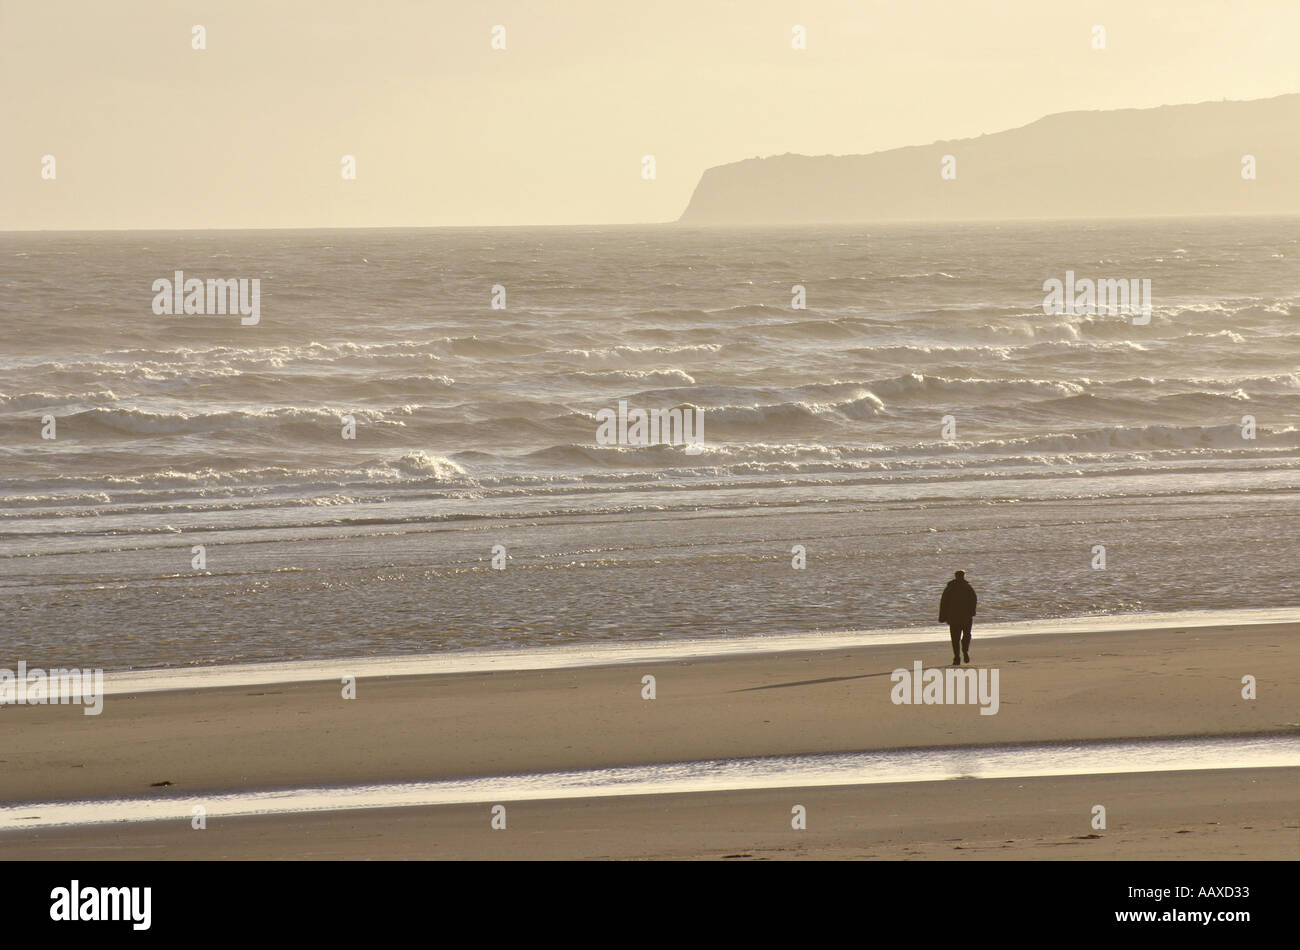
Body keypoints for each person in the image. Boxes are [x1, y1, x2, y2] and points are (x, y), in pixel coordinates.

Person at [939, 570, 977, 665]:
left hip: (953, 617)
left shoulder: (950, 588)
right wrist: (972, 612)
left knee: (955, 638)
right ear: (963, 576)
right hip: (966, 617)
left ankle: (957, 657)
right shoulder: (967, 587)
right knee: (966, 635)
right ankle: (964, 651)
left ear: (955, 576)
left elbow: (943, 603)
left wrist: (942, 616)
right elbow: (974, 600)